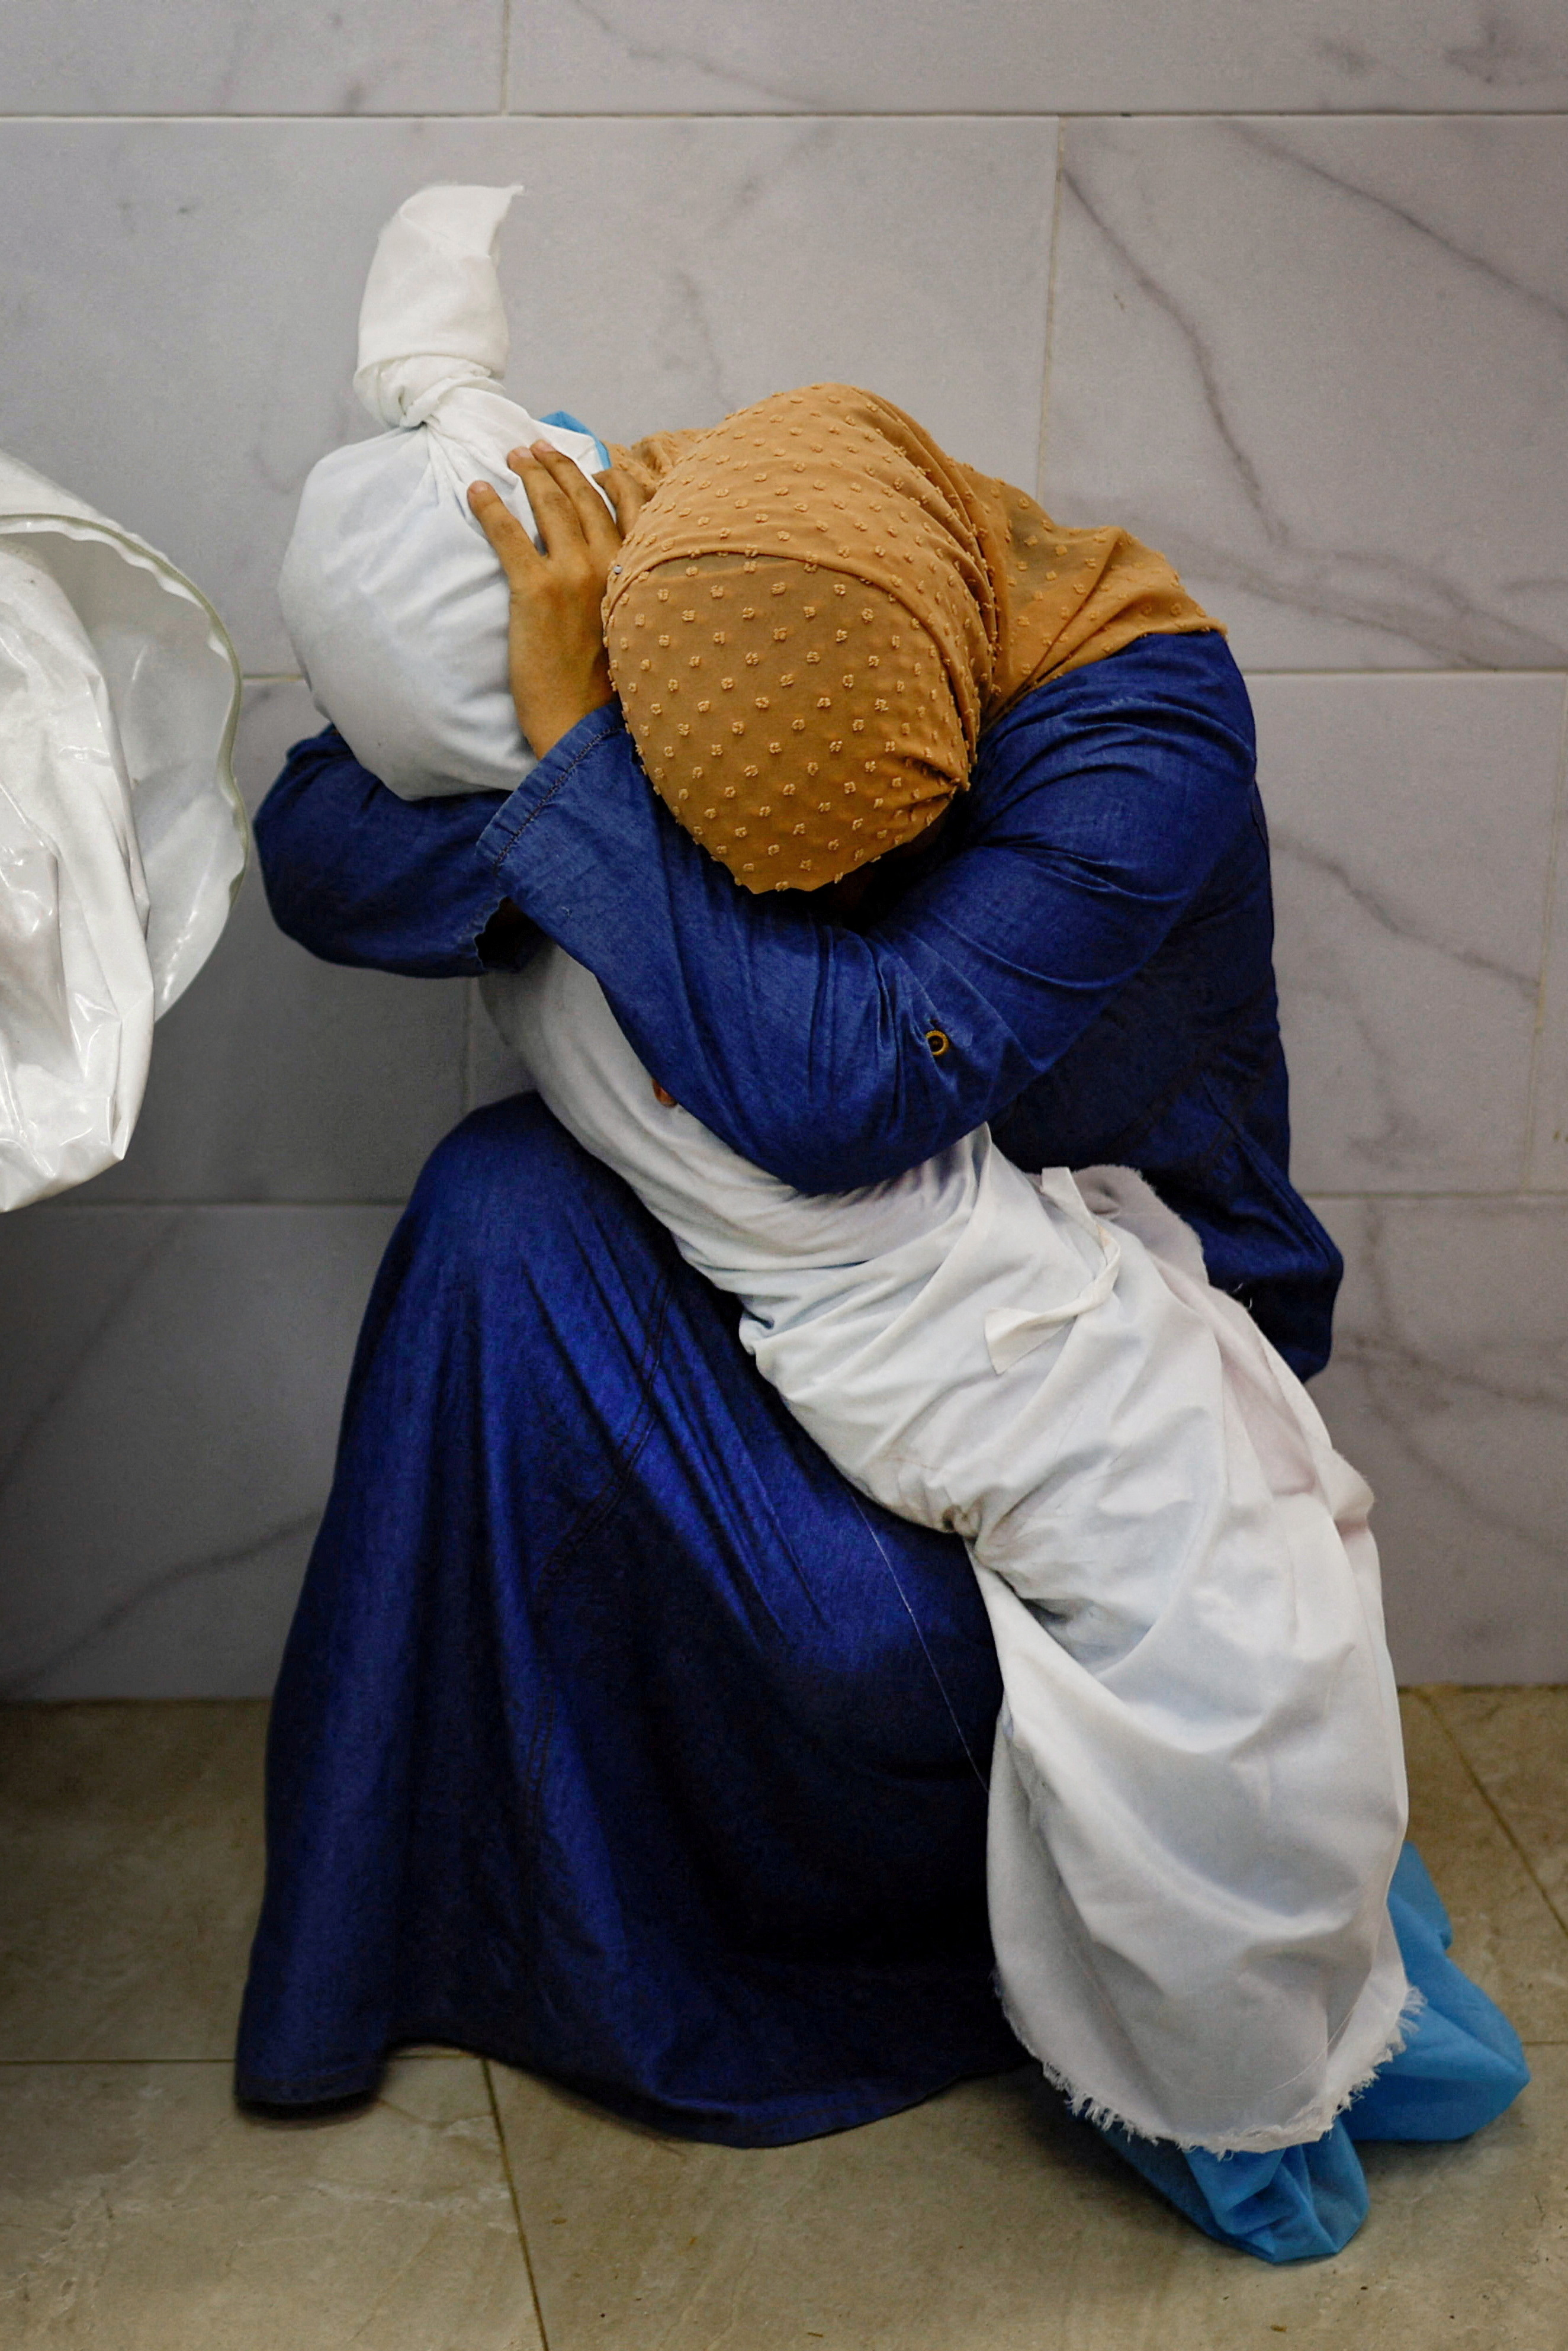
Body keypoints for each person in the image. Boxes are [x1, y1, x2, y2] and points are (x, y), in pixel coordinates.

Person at [237, 387, 1525, 2260]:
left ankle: (1068, 1981)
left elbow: (841, 1087)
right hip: (827, 1279)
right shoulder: (726, 585)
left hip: (1078, 1311)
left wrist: (586, 760)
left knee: (864, 1631)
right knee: (497, 1208)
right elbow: (319, 849)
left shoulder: (1138, 733)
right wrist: (577, 722)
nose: (793, 870)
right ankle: (434, 1926)